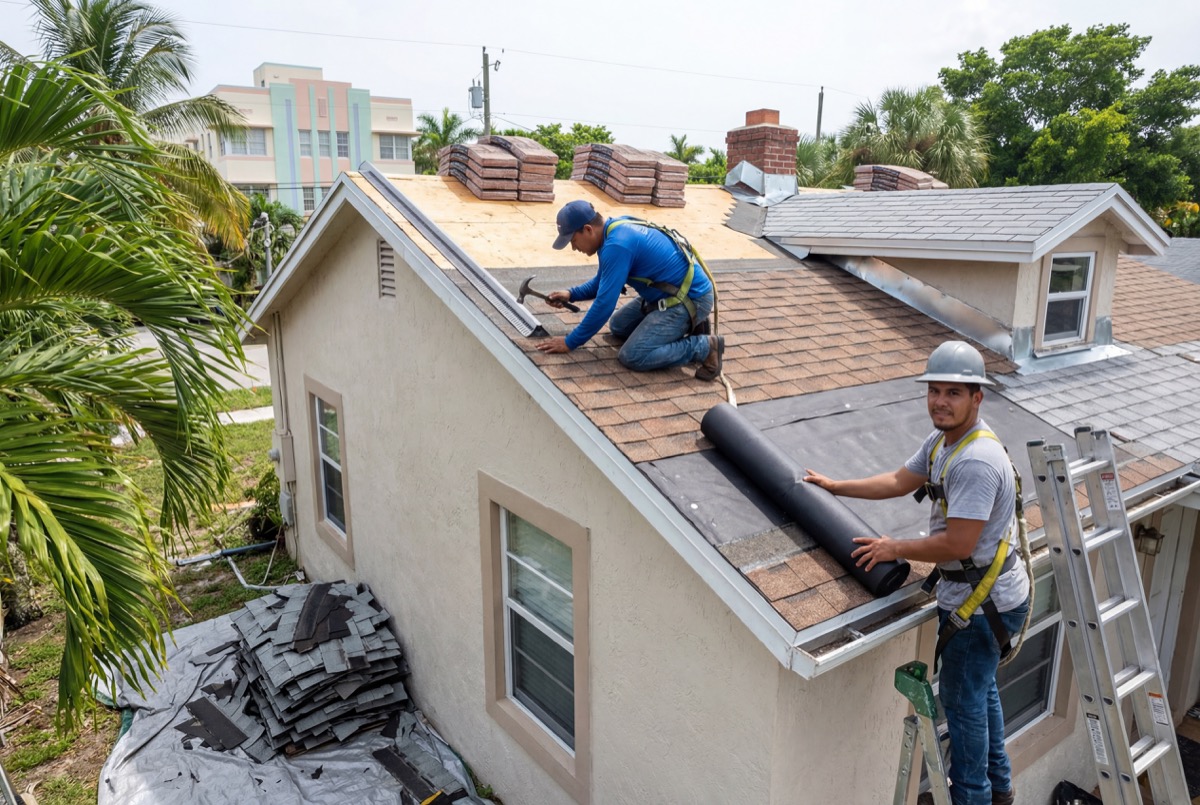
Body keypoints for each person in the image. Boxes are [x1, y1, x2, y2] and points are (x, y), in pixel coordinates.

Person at [803, 341, 1029, 805]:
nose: (940, 401)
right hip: (990, 594)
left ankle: (973, 797)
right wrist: (834, 485)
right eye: (935, 391)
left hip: (980, 606)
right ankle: (999, 790)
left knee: (964, 707)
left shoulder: (974, 461)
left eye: (953, 393)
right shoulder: (945, 442)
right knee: (980, 692)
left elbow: (958, 543)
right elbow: (897, 481)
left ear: (976, 398)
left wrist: (894, 546)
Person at [536, 199, 725, 381]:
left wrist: (570, 342)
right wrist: (571, 294)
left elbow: (604, 304)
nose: (573, 248)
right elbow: (604, 281)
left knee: (633, 355)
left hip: (690, 298)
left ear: (588, 229)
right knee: (618, 325)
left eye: (573, 240)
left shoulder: (616, 246)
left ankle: (705, 347)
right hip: (668, 294)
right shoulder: (613, 230)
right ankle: (691, 325)